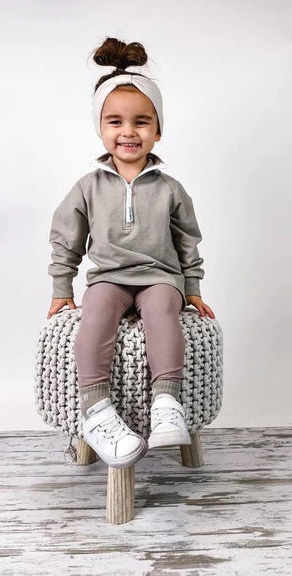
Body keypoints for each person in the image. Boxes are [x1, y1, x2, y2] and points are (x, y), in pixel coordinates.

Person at [46, 37, 215, 470]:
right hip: (109, 278)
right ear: (101, 128)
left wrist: (192, 288)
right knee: (96, 315)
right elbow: (66, 237)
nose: (128, 132)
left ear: (157, 131)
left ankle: (166, 404)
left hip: (160, 278)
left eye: (141, 122)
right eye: (115, 121)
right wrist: (62, 288)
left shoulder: (170, 189)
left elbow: (188, 241)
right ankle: (97, 410)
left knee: (162, 314)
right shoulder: (88, 187)